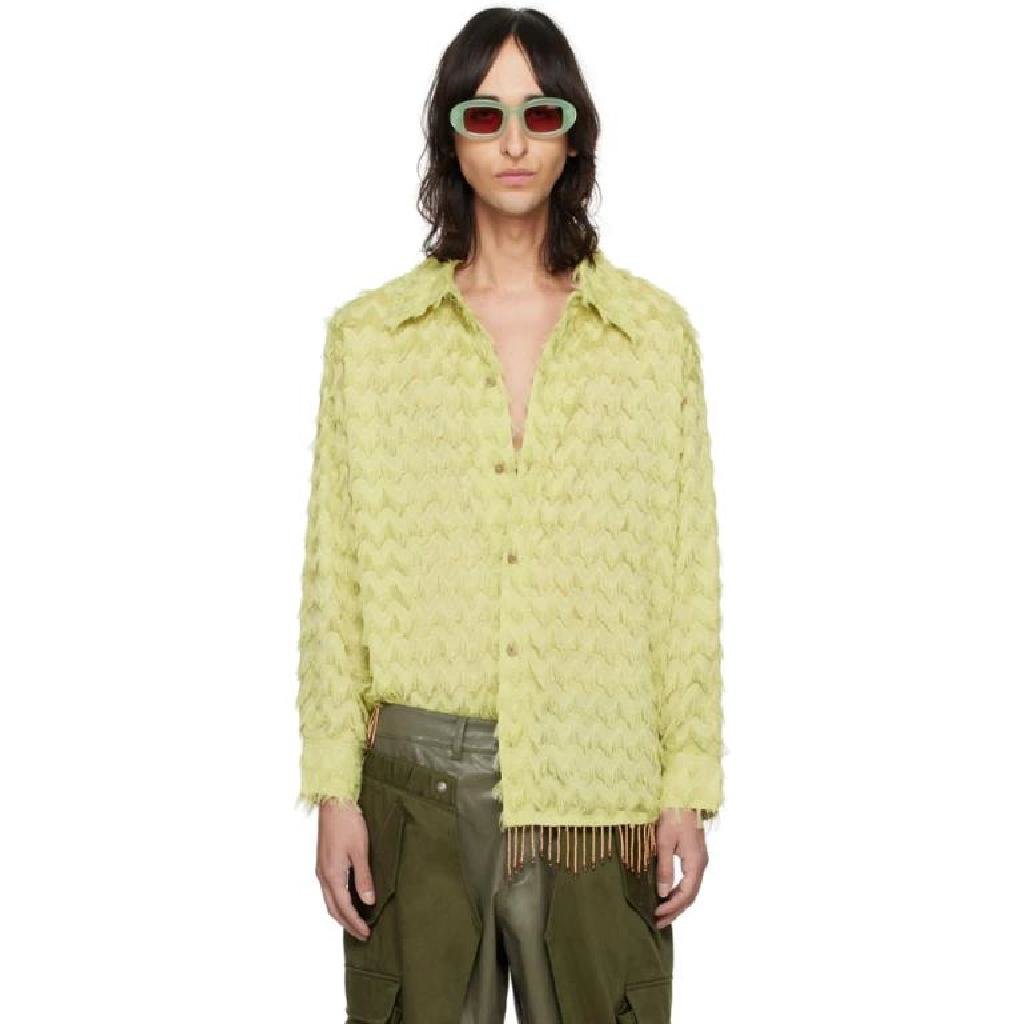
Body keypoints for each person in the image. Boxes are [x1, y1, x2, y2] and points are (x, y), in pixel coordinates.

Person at [295, 9, 725, 1023]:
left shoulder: (650, 339)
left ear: (575, 134)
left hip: (599, 785)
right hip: (416, 787)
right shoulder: (371, 341)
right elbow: (334, 578)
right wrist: (333, 787)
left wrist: (688, 780)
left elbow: (686, 573)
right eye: (484, 116)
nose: (516, 140)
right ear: (450, 137)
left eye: (542, 112)